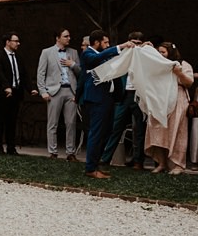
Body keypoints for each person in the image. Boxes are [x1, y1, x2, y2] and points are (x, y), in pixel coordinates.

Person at [80, 30, 135, 179]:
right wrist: (120, 46)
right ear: (96, 42)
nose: (107, 45)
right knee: (96, 134)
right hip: (97, 99)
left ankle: (96, 164)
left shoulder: (104, 55)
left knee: (106, 132)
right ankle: (90, 168)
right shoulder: (88, 54)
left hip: (108, 99)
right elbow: (97, 59)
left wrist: (138, 48)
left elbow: (120, 59)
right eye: (105, 42)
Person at [145, 42, 194, 175]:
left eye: (163, 52)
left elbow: (189, 82)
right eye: (159, 52)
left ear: (171, 53)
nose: (160, 54)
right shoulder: (157, 65)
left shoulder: (182, 64)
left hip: (178, 98)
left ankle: (178, 164)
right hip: (160, 100)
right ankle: (162, 163)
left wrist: (179, 73)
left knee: (177, 130)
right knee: (158, 130)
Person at [100, 31, 146, 169]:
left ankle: (138, 161)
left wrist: (148, 48)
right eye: (133, 43)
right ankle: (106, 158)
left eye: (138, 43)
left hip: (138, 95)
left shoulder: (145, 56)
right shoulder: (121, 55)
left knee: (139, 129)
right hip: (124, 95)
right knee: (115, 127)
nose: (135, 46)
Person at [36, 29, 81, 161]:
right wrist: (43, 91)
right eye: (66, 36)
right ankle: (53, 152)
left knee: (71, 123)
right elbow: (41, 73)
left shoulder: (73, 52)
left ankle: (70, 152)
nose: (69, 38)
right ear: (57, 38)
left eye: (69, 36)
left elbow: (80, 72)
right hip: (54, 91)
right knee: (53, 123)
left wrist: (73, 64)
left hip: (71, 90)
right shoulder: (47, 52)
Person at [0, 32, 37, 155]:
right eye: (15, 41)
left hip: (16, 93)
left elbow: (24, 75)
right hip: (2, 94)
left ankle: (11, 147)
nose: (18, 43)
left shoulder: (18, 57)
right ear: (7, 42)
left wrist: (30, 88)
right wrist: (6, 86)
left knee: (12, 121)